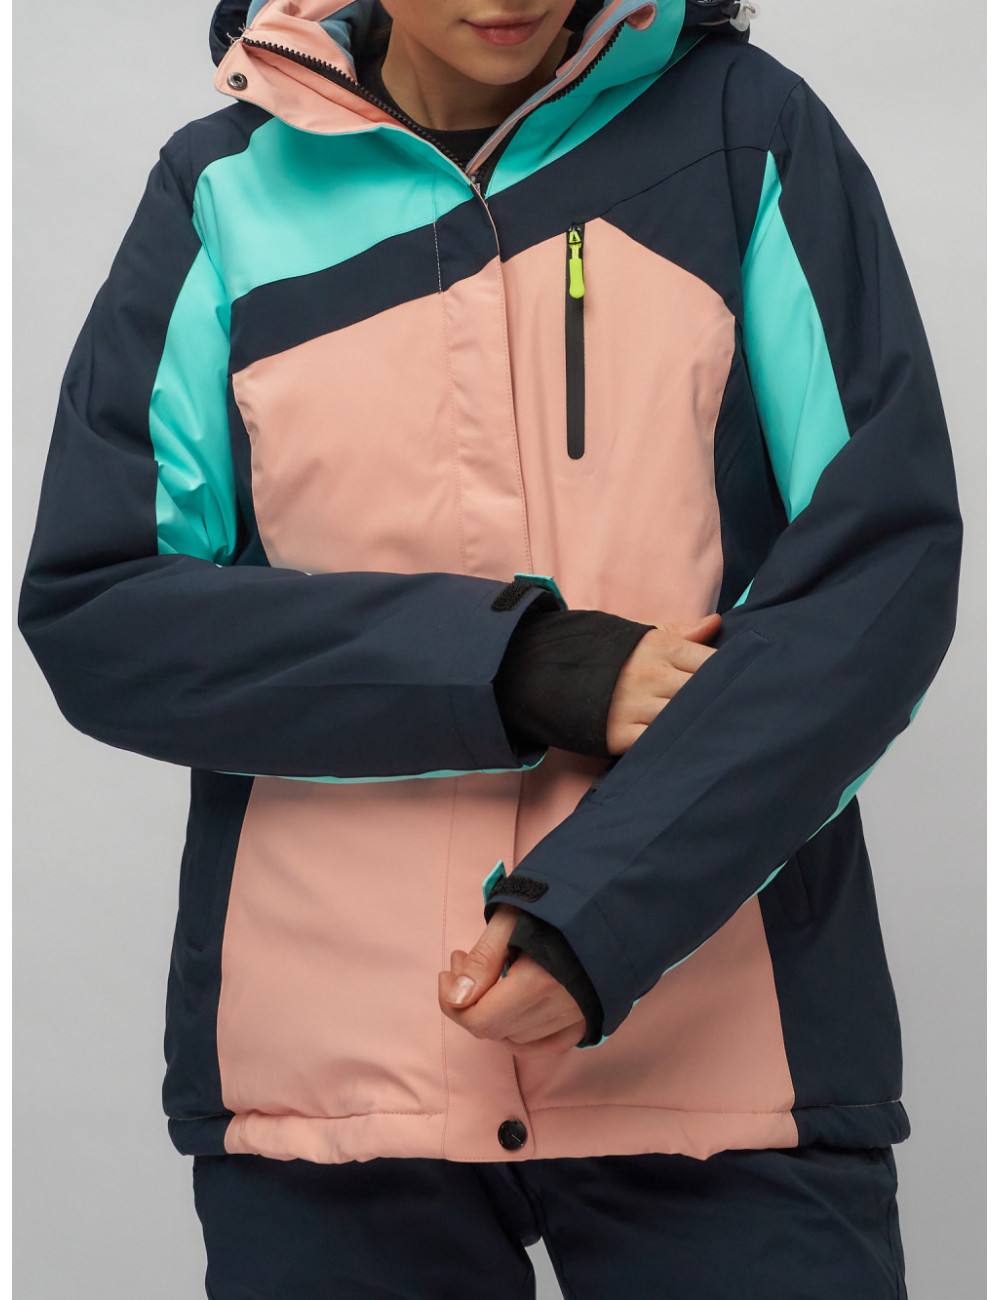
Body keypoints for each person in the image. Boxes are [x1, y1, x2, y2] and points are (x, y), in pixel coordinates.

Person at [18, 0, 963, 1296]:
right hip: (334, 1088)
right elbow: (103, 608)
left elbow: (877, 577)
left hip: (723, 1054)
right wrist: (530, 666)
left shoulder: (744, 130)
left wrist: (605, 921)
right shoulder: (222, 190)